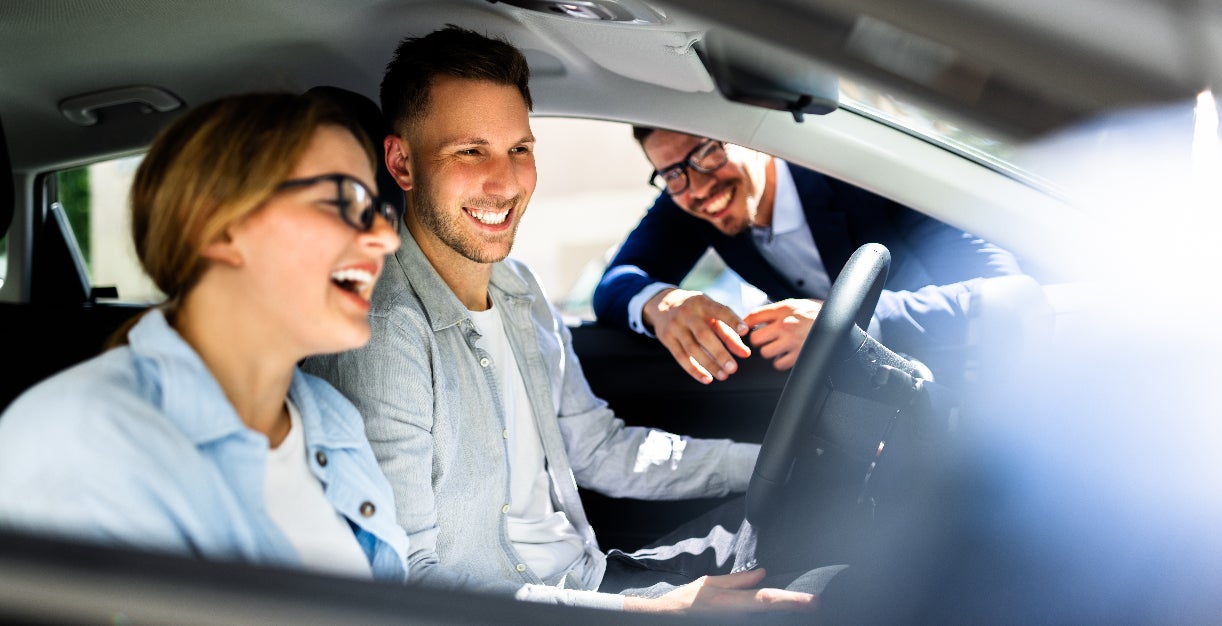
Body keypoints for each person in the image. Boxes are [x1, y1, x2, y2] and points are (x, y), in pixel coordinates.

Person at [303, 26, 823, 613]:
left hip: (593, 579)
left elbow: (600, 449)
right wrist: (649, 612)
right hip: (547, 608)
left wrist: (775, 461)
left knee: (823, 522)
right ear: (401, 162)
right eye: (470, 151)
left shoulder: (518, 285)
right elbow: (409, 578)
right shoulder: (386, 331)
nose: (505, 182)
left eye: (519, 149)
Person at [0, 92, 409, 580]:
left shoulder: (331, 418)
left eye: (379, 209)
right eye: (344, 200)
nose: (387, 237)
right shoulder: (80, 444)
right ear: (215, 227)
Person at [593, 128, 1023, 384]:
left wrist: (842, 325)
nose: (699, 188)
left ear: (751, 135)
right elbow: (614, 284)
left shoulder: (858, 171)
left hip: (977, 375)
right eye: (671, 173)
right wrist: (662, 304)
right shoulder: (686, 199)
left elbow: (999, 289)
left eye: (707, 151)